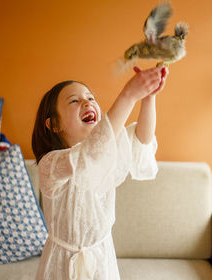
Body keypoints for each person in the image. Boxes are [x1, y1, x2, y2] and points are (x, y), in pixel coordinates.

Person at [32, 66, 168, 280]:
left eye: (90, 98)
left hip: (101, 258)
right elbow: (90, 152)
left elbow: (142, 138)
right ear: (54, 124)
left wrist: (148, 98)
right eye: (74, 101)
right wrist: (128, 95)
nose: (87, 102)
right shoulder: (51, 164)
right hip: (62, 264)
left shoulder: (107, 148)